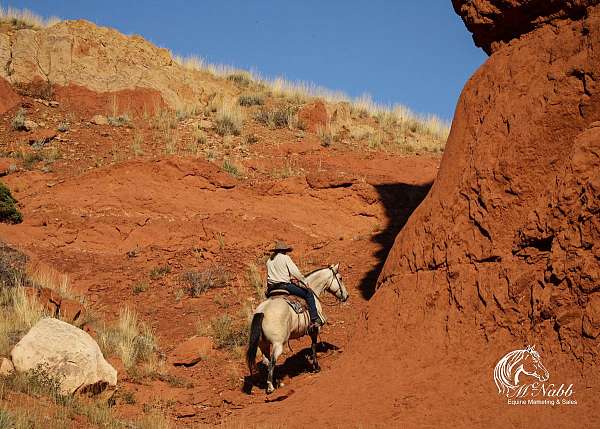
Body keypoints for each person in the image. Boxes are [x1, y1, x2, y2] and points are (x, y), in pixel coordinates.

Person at [266, 240, 322, 331]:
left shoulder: (269, 261)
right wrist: (304, 282)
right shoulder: (285, 258)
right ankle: (314, 319)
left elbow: (270, 276)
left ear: (275, 251)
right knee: (308, 294)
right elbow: (295, 272)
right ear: (284, 250)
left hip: (271, 288)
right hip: (284, 286)